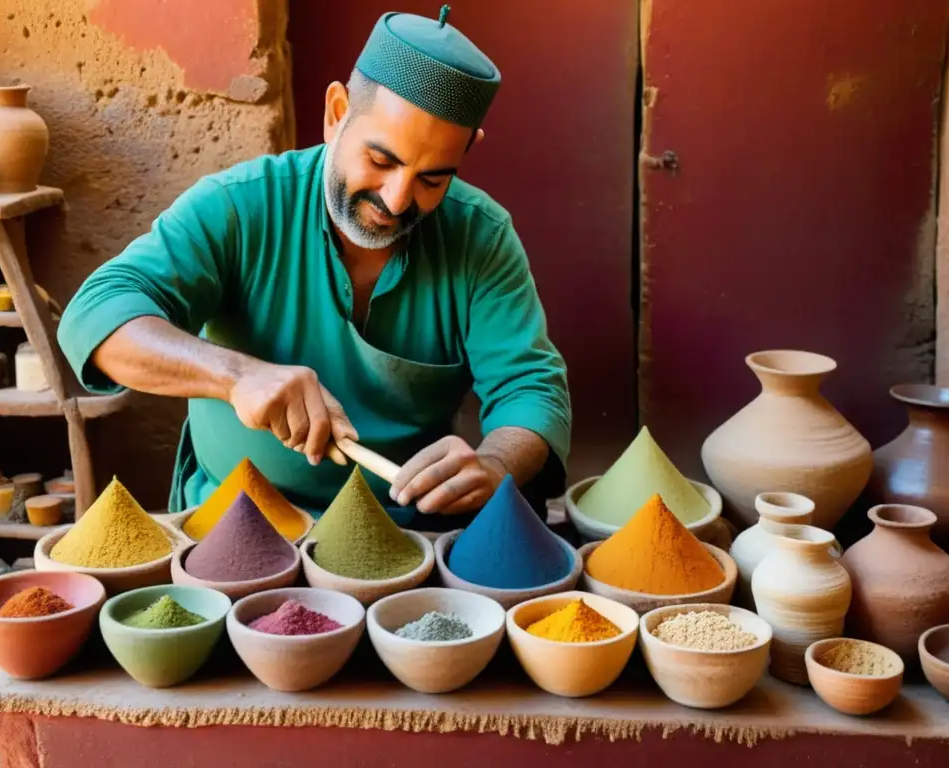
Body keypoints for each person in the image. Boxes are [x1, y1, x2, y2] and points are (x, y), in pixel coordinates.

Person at [56, 6, 571, 529]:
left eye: (432, 179)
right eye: (381, 160)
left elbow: (530, 387)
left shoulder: (480, 236)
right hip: (237, 525)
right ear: (336, 112)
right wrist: (236, 376)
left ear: (465, 153)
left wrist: (495, 462)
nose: (396, 200)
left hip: (408, 534)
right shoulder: (241, 206)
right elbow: (96, 314)